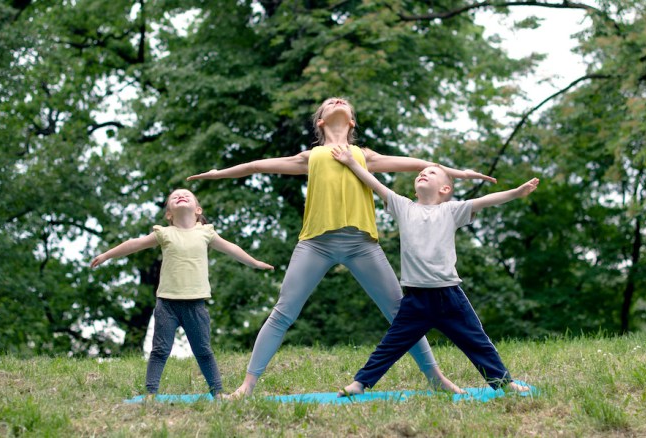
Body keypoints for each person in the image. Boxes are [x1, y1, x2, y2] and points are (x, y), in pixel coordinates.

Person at [187, 97, 497, 398]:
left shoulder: (363, 155)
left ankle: (436, 378)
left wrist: (461, 173)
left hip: (362, 244)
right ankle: (247, 386)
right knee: (283, 312)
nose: (337, 101)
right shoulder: (311, 157)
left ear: (351, 121)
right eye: (329, 103)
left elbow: (422, 165)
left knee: (400, 312)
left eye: (342, 102)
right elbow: (256, 166)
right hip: (315, 244)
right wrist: (219, 173)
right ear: (320, 121)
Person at [329, 144, 538, 396]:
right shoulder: (404, 207)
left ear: (445, 189)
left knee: (477, 342)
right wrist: (351, 162)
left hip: (449, 297)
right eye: (420, 173)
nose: (422, 174)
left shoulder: (451, 211)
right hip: (415, 299)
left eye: (431, 173)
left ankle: (505, 383)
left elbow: (485, 201)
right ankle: (360, 383)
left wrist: (516, 192)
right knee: (391, 345)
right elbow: (375, 184)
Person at [90, 189, 274, 397]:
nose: (180, 196)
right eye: (174, 197)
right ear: (169, 214)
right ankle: (151, 394)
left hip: (196, 305)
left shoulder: (206, 233)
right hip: (167, 304)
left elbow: (231, 248)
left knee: (203, 351)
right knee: (159, 351)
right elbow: (135, 244)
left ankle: (218, 393)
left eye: (186, 195)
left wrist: (255, 263)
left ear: (197, 209)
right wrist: (106, 255)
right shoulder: (164, 233)